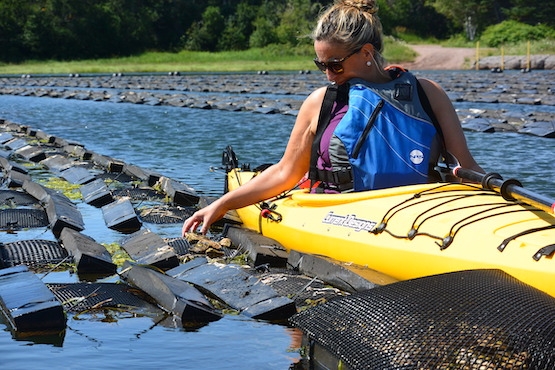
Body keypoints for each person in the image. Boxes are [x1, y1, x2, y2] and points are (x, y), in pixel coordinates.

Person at [182, 0, 483, 235]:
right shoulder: (321, 102)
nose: (327, 74)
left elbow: (465, 168)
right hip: (337, 212)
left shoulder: (427, 94)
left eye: (335, 65)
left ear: (366, 52)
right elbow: (286, 173)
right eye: (320, 64)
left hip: (414, 214)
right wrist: (222, 204)